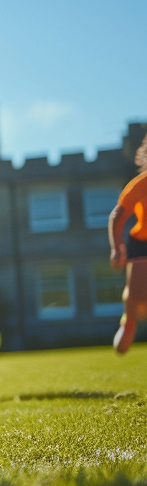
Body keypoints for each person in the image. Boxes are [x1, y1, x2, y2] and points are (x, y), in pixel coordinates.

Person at [109, 132, 147, 354]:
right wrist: (117, 247)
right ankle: (129, 319)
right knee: (137, 295)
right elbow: (118, 215)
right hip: (142, 241)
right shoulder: (141, 185)